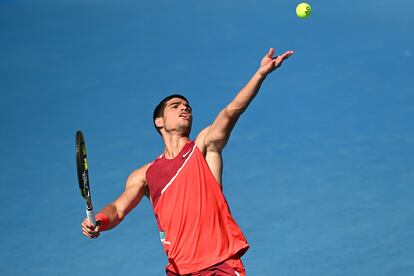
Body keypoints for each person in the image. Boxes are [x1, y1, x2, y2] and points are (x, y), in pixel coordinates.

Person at [81, 47, 294, 275]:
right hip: (180, 271)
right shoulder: (145, 175)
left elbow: (231, 112)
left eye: (188, 107)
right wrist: (100, 221)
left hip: (219, 265)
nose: (185, 108)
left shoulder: (203, 147)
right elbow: (117, 209)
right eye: (176, 106)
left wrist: (260, 74)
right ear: (159, 122)